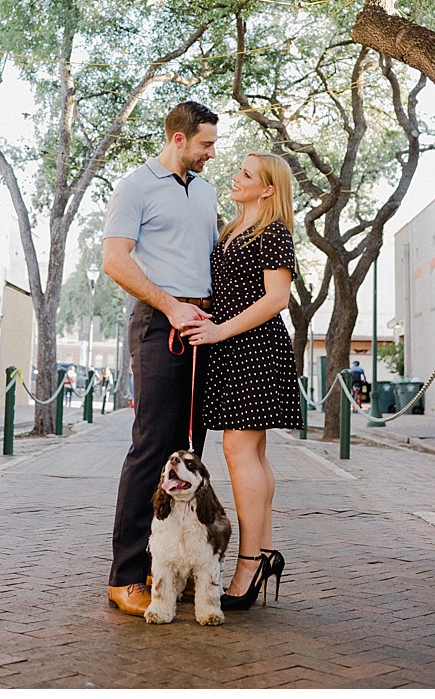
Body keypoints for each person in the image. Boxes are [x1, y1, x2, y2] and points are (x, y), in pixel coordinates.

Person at [101, 101, 220, 617]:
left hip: (204, 331)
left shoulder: (208, 191)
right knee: (152, 450)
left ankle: (175, 570)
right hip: (158, 325)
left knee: (190, 451)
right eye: (205, 144)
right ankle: (127, 575)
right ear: (177, 138)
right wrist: (172, 307)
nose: (212, 154)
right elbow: (114, 260)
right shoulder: (135, 186)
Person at [183, 151, 299, 610]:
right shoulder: (231, 232)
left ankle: (249, 563)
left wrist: (218, 330)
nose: (236, 177)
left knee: (237, 449)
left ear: (268, 189)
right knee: (252, 451)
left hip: (256, 350)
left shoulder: (274, 233)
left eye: (247, 175)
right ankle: (265, 551)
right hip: (230, 349)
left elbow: (277, 300)